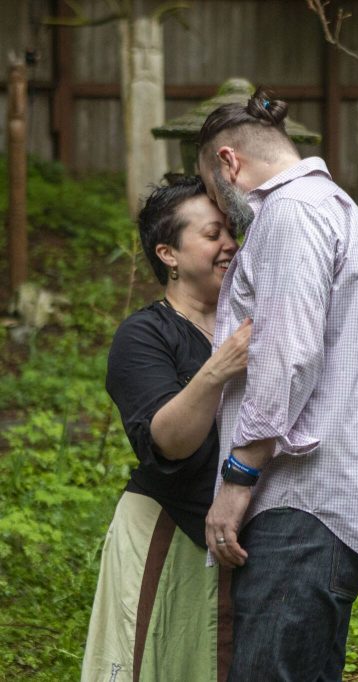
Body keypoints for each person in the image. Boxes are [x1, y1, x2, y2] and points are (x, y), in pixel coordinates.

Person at [196, 88, 358, 680]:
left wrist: (236, 481)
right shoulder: (335, 206)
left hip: (303, 504)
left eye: (211, 190)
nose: (218, 209)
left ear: (228, 162)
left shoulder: (290, 213)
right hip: (325, 503)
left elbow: (287, 359)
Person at [82, 177, 250, 682]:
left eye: (232, 232)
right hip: (165, 531)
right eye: (212, 234)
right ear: (168, 254)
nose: (229, 245)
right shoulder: (144, 335)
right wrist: (218, 370)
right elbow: (169, 442)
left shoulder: (248, 321)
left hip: (244, 537)